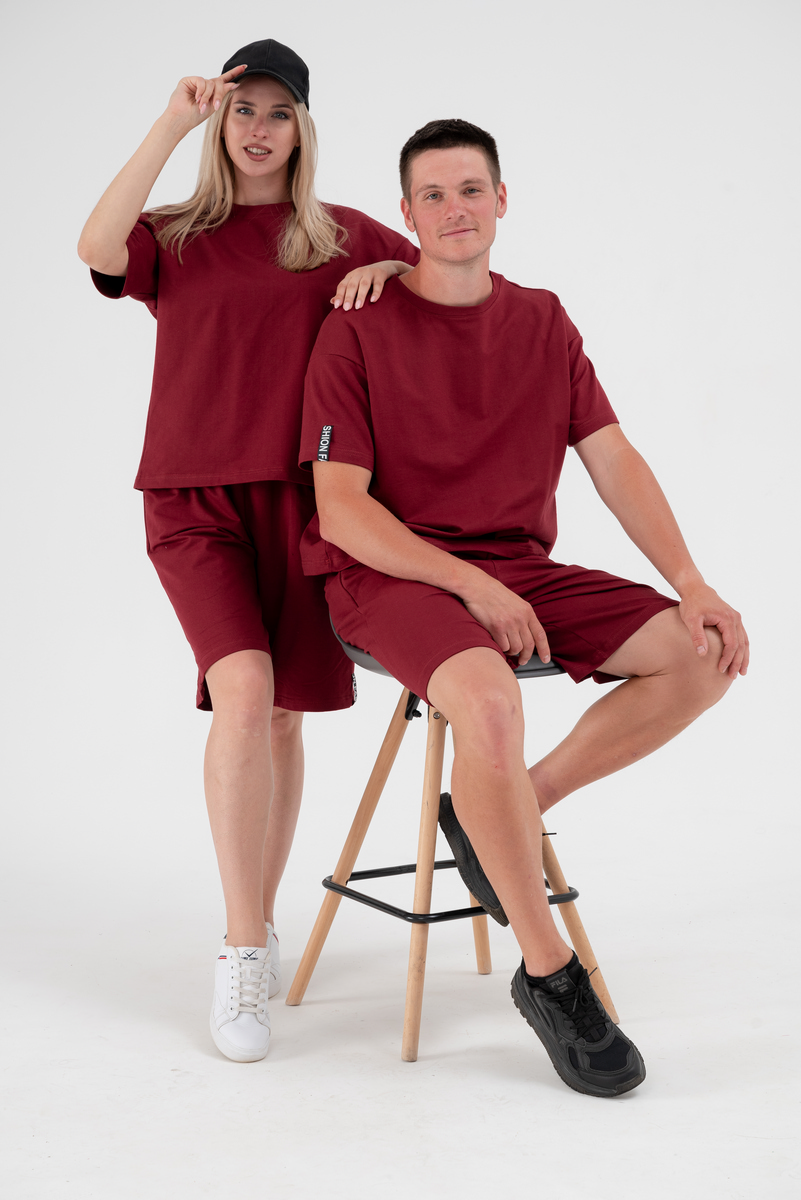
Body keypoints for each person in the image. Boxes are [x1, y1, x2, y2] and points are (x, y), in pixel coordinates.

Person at [299, 119, 748, 1097]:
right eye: (432, 195)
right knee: (491, 700)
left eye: (471, 189)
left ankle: (508, 806)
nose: (454, 209)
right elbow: (341, 509)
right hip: (390, 576)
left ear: (502, 200)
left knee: (701, 654)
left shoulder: (543, 320)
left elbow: (613, 457)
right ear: (406, 213)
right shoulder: (357, 327)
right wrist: (470, 585)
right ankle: (550, 975)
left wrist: (694, 582)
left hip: (517, 569)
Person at [77, 39, 418, 1064]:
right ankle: (239, 950)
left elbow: (440, 285)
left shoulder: (343, 237)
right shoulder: (176, 235)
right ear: (220, 123)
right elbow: (94, 245)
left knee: (279, 716)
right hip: (191, 500)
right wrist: (171, 120)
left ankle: (260, 923)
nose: (259, 128)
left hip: (305, 503)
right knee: (243, 688)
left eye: (277, 112)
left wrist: (394, 269)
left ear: (302, 128)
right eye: (242, 110)